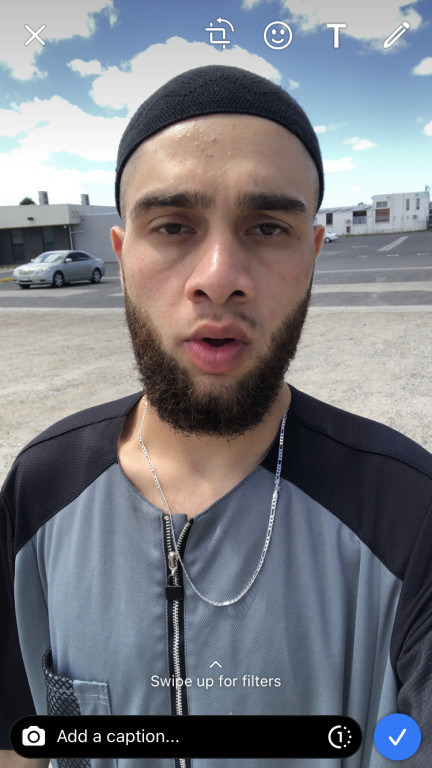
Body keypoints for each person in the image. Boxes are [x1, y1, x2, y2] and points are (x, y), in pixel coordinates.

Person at [1, 65, 431, 768]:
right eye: (173, 226)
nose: (219, 275)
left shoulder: (410, 514)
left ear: (312, 254)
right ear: (123, 257)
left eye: (268, 227)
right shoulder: (40, 487)